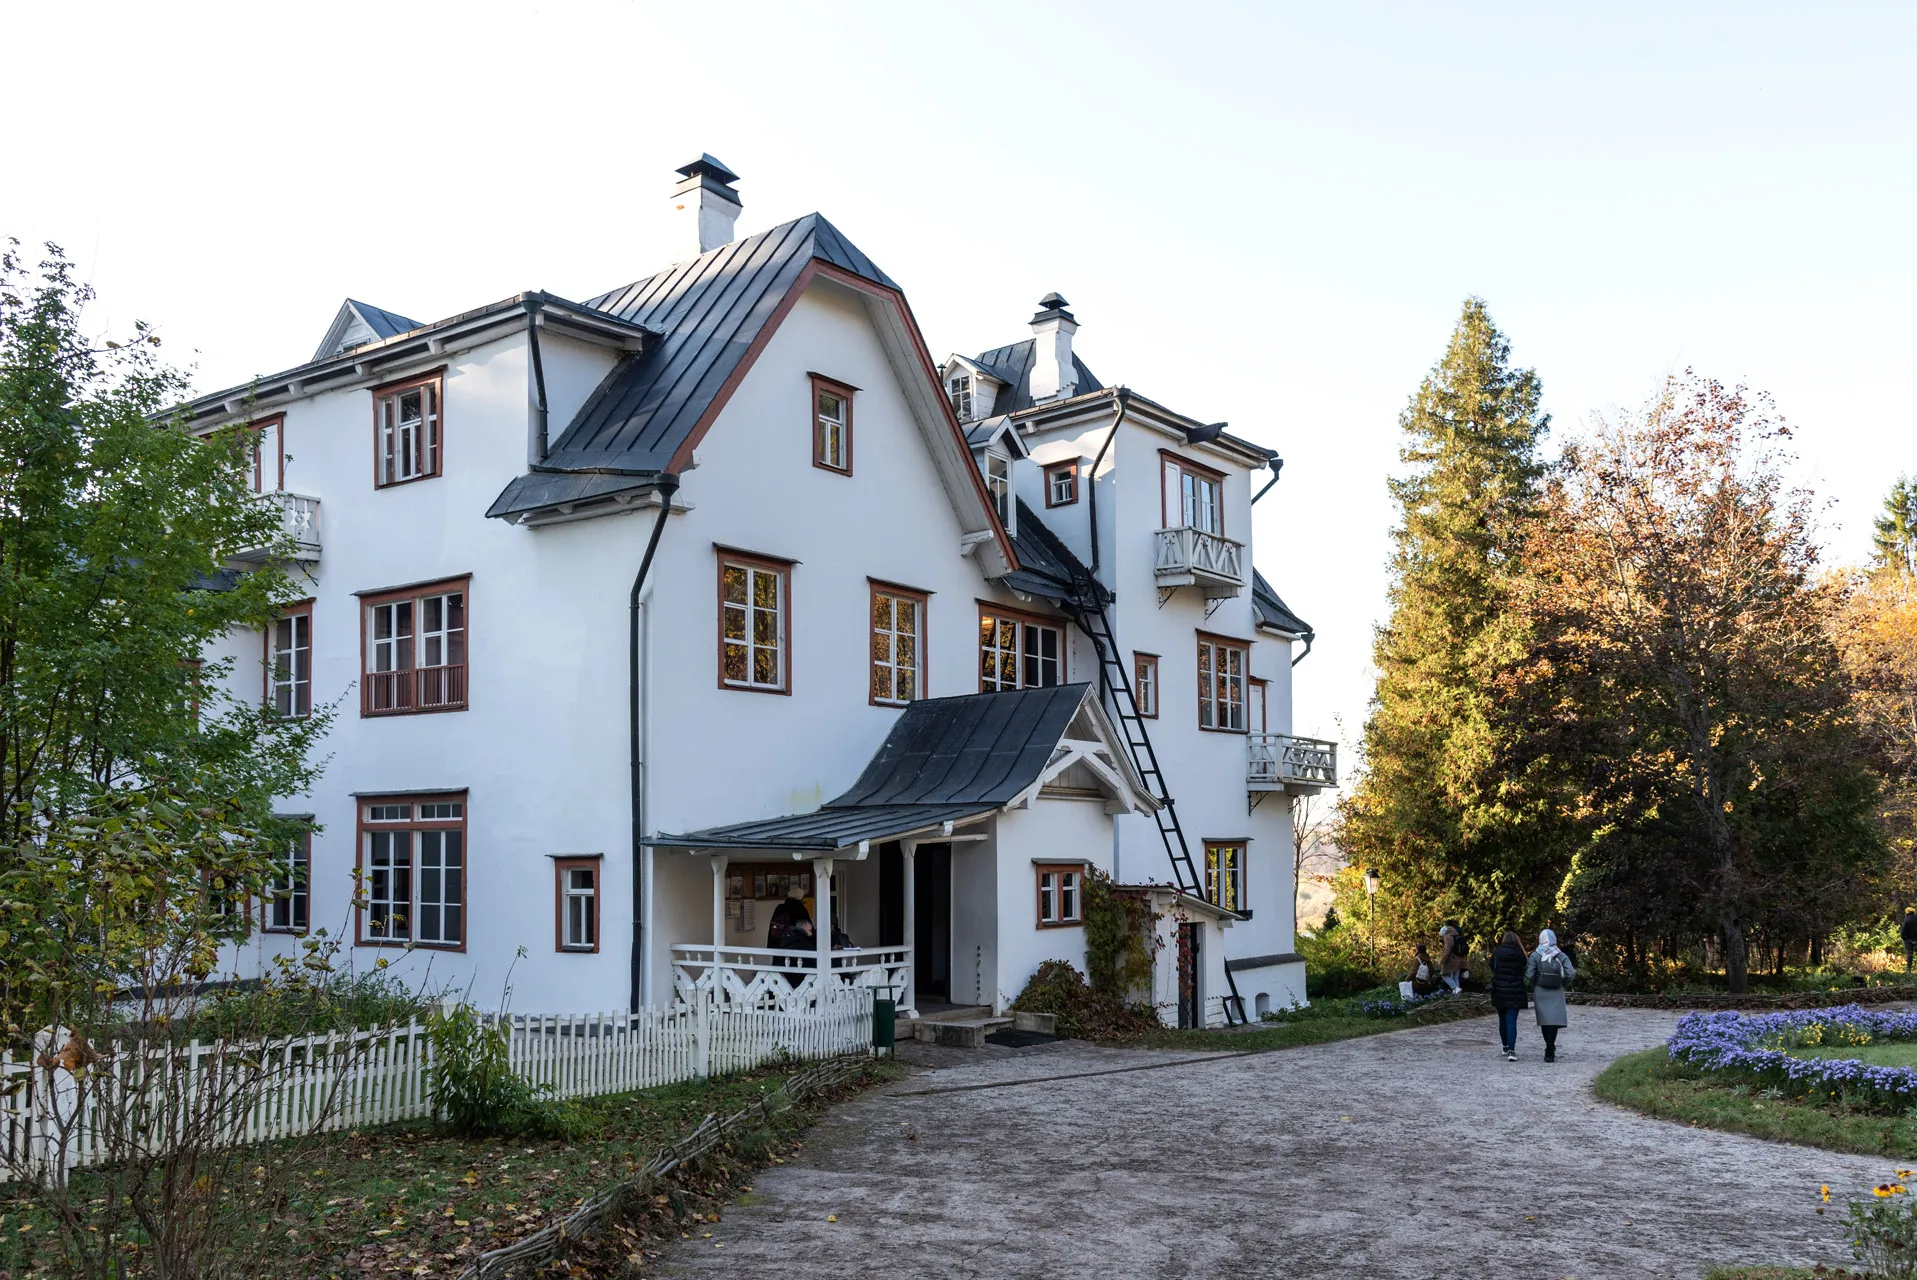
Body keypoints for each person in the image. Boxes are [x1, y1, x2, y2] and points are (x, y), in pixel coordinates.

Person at [1526, 928, 1576, 1062]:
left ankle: (1549, 1046)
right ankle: (1550, 1047)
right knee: (1553, 1021)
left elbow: (1530, 975)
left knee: (1545, 1021)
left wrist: (1536, 983)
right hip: (1556, 991)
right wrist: (1563, 984)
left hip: (1541, 991)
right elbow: (1570, 973)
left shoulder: (1535, 955)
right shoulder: (1561, 955)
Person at [1489, 930, 1528, 1061]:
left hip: (1499, 989)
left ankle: (1505, 1046)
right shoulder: (1519, 953)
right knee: (1511, 1020)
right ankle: (1511, 1050)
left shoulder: (1497, 952)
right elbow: (1524, 967)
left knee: (1502, 1019)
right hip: (1515, 989)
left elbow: (1492, 967)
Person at [1439, 923, 1468, 995]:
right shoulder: (1458, 934)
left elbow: (1447, 950)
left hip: (1451, 959)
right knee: (1455, 977)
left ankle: (1455, 988)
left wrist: (1442, 960)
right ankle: (1457, 995)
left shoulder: (1448, 936)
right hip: (1460, 959)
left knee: (1444, 974)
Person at [1902, 908, 1917, 972]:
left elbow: (1903, 931)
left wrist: (1904, 938)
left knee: (1909, 955)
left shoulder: (1907, 919)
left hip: (1909, 940)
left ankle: (1909, 970)